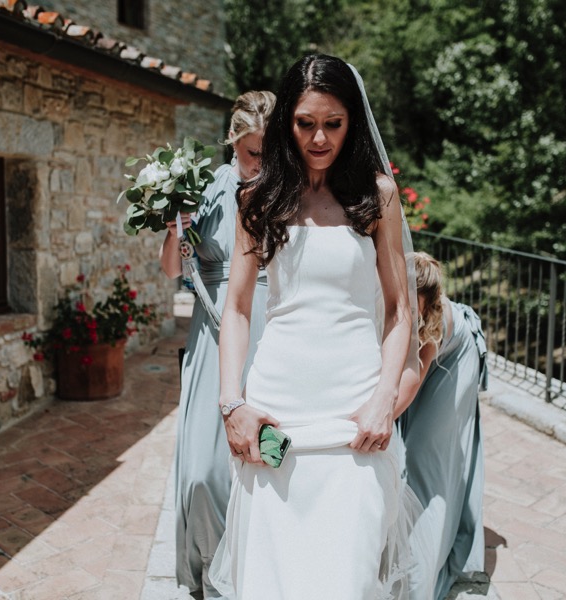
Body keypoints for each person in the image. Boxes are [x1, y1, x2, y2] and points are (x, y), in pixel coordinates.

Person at [211, 54, 419, 599]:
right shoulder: (257, 199)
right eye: (306, 123)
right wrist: (232, 405)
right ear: (287, 122)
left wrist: (384, 400)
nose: (320, 138)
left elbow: (400, 310)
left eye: (333, 123)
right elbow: (237, 309)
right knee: (273, 580)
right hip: (278, 415)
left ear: (353, 122)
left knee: (347, 579)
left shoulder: (377, 196)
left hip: (354, 416)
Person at [160, 90, 276, 599]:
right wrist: (175, 229)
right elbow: (172, 268)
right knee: (204, 475)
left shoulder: (288, 192)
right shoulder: (205, 191)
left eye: (269, 153)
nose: (260, 164)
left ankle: (261, 572)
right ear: (232, 140)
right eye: (252, 153)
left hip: (273, 331)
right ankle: (214, 575)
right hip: (213, 334)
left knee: (268, 460)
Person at [396, 251, 487, 600]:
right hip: (423, 354)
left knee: (426, 460)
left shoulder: (432, 322)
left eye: (414, 308)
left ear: (428, 304)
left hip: (455, 360)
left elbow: (405, 393)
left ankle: (418, 582)